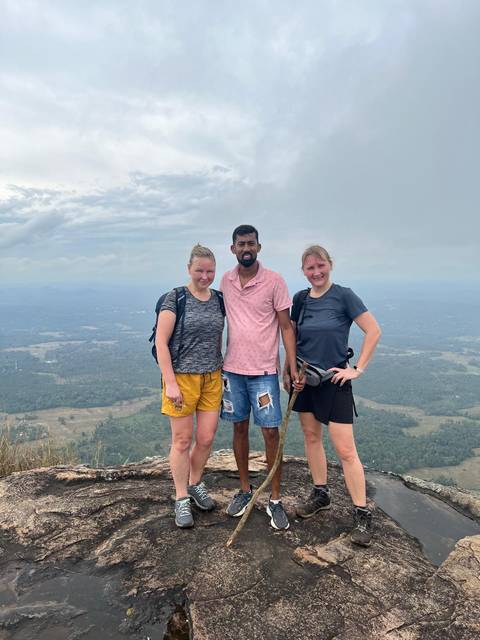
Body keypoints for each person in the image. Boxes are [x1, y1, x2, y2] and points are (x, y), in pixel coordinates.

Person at [284, 245, 381, 546]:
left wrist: (358, 369)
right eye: (310, 268)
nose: (316, 272)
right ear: (303, 271)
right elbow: (292, 337)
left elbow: (373, 330)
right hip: (306, 379)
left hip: (335, 380)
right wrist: (288, 372)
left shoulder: (343, 295)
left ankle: (362, 513)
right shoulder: (300, 300)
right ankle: (320, 493)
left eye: (320, 265)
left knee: (346, 451)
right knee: (311, 438)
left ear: (330, 265)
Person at [220, 225, 302, 530]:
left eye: (251, 244)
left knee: (270, 434)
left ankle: (276, 499)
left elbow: (286, 327)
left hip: (265, 372)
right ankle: (245, 490)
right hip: (233, 371)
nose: (246, 248)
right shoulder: (226, 281)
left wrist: (290, 366)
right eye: (241, 244)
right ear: (233, 248)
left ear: (259, 247)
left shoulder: (274, 281)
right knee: (239, 428)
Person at [155, 244, 224, 528]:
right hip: (182, 378)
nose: (205, 276)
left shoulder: (218, 299)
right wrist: (170, 382)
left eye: (210, 271)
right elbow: (161, 342)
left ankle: (195, 483)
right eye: (199, 270)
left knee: (206, 438)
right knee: (182, 440)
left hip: (212, 376)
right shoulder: (176, 299)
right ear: (189, 269)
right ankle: (181, 497)